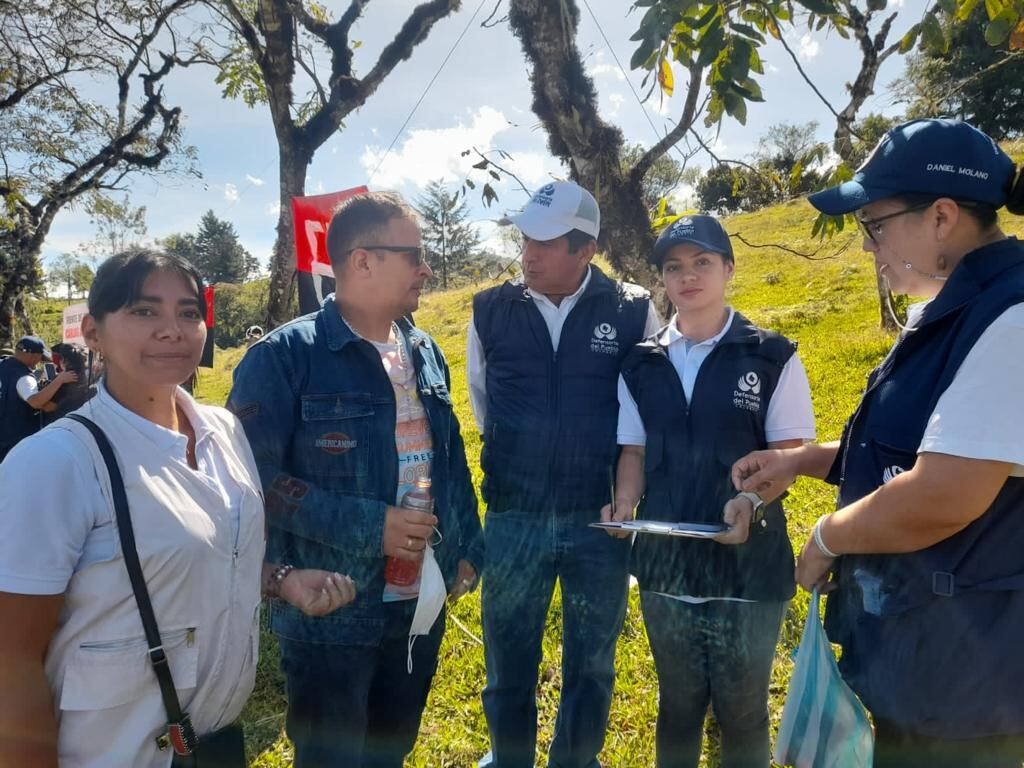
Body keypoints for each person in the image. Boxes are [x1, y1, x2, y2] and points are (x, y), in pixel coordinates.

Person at [731, 118, 1024, 767]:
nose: (868, 245)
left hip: (974, 695)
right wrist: (801, 461)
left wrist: (826, 538)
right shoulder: (953, 310)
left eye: (876, 225)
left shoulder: (1011, 320)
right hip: (925, 658)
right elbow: (916, 449)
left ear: (942, 217)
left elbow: (944, 493)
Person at [0, 248, 355, 767]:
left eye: (188, 312)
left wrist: (280, 580)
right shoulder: (55, 463)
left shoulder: (223, 431)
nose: (173, 330)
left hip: (211, 745)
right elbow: (11, 662)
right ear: (93, 333)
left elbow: (199, 554)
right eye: (144, 311)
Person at [228, 191, 483, 768]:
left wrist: (470, 548)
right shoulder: (283, 358)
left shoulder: (424, 349)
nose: (426, 269)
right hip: (331, 611)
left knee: (391, 750)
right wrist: (372, 526)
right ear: (362, 260)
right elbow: (251, 481)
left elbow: (450, 457)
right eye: (413, 255)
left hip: (418, 604)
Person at [600, 215, 815, 768]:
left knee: (743, 710)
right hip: (666, 567)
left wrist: (752, 501)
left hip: (749, 566)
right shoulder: (641, 362)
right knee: (678, 703)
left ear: (728, 269)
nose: (688, 276)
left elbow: (790, 457)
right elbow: (634, 452)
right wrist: (624, 503)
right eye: (674, 267)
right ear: (662, 278)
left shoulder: (771, 355)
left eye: (702, 263)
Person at [468, 181, 660, 768]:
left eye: (545, 243)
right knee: (507, 658)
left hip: (597, 519)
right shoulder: (490, 311)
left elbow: (644, 414)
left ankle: (576, 760)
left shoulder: (632, 310)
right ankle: (510, 758)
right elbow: (483, 406)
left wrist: (625, 494)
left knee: (592, 661)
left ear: (587, 250)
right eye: (525, 239)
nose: (527, 254)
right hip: (513, 517)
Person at [0, 335, 77, 461]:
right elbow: (36, 402)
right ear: (32, 355)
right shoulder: (23, 377)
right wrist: (59, 380)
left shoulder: (3, 365)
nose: (40, 362)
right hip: (14, 444)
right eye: (40, 357)